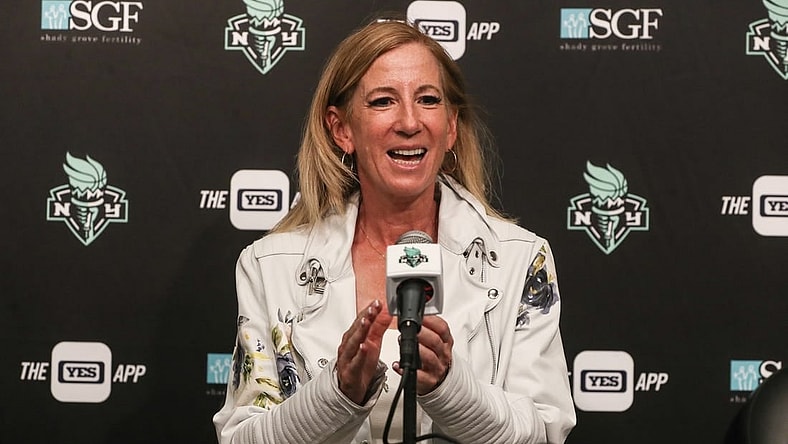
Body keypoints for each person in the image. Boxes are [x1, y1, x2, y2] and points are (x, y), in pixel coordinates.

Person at [213, 17, 576, 444]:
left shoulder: (519, 260)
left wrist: (448, 387)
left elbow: (545, 434)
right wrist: (338, 394)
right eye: (383, 101)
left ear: (452, 126)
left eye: (427, 99)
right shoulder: (269, 267)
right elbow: (242, 439)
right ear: (341, 128)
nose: (409, 121)